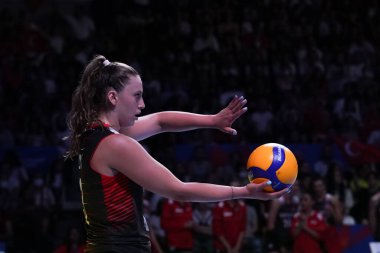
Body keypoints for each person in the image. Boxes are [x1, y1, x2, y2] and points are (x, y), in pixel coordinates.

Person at [66, 55, 288, 253]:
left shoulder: (94, 134)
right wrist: (243, 191)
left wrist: (212, 120)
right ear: (113, 97)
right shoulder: (116, 144)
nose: (143, 104)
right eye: (137, 96)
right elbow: (178, 190)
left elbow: (161, 121)